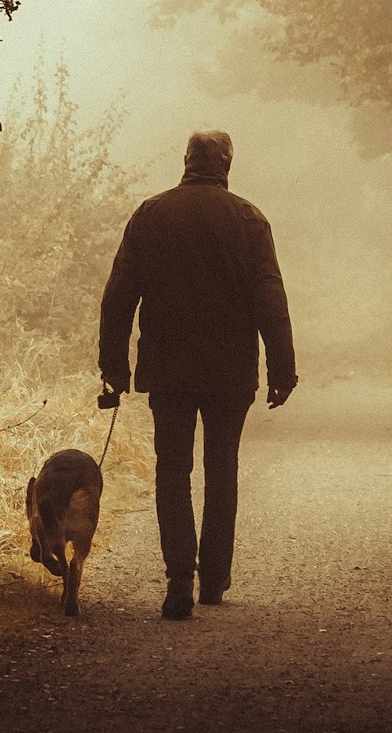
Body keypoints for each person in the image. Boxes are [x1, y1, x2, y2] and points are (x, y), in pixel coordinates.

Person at [97, 129, 297, 619]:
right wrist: (282, 368)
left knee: (172, 470)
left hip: (168, 369)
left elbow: (120, 295)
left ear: (185, 159)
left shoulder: (151, 214)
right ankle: (215, 579)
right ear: (227, 162)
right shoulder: (249, 219)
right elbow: (269, 295)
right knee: (221, 469)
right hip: (230, 371)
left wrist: (114, 369)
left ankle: (178, 581)